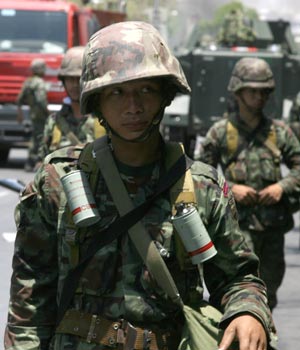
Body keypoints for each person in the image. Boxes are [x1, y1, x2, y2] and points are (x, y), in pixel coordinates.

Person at [5, 22, 277, 350]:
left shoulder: (202, 187)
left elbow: (238, 277)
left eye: (146, 89)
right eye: (117, 91)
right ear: (96, 100)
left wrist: (247, 311)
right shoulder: (58, 182)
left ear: (165, 96)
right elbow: (30, 297)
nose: (133, 106)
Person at [197, 57, 300, 311]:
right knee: (230, 296)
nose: (259, 97)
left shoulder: (280, 132)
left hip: (271, 231)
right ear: (238, 92)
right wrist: (231, 189)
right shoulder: (221, 132)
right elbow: (197, 176)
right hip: (233, 232)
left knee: (268, 297)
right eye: (252, 91)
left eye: (264, 91)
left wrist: (281, 187)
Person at [37, 46, 106, 164]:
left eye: (79, 79)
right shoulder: (54, 122)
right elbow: (42, 164)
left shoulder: (103, 121)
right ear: (63, 81)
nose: (74, 85)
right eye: (70, 79)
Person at [16, 58, 49, 171]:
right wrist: (47, 112)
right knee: (41, 137)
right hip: (40, 114)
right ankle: (36, 162)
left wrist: (19, 113)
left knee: (34, 137)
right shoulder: (39, 82)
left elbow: (19, 99)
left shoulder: (28, 82)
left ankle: (30, 162)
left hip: (33, 113)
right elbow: (41, 99)